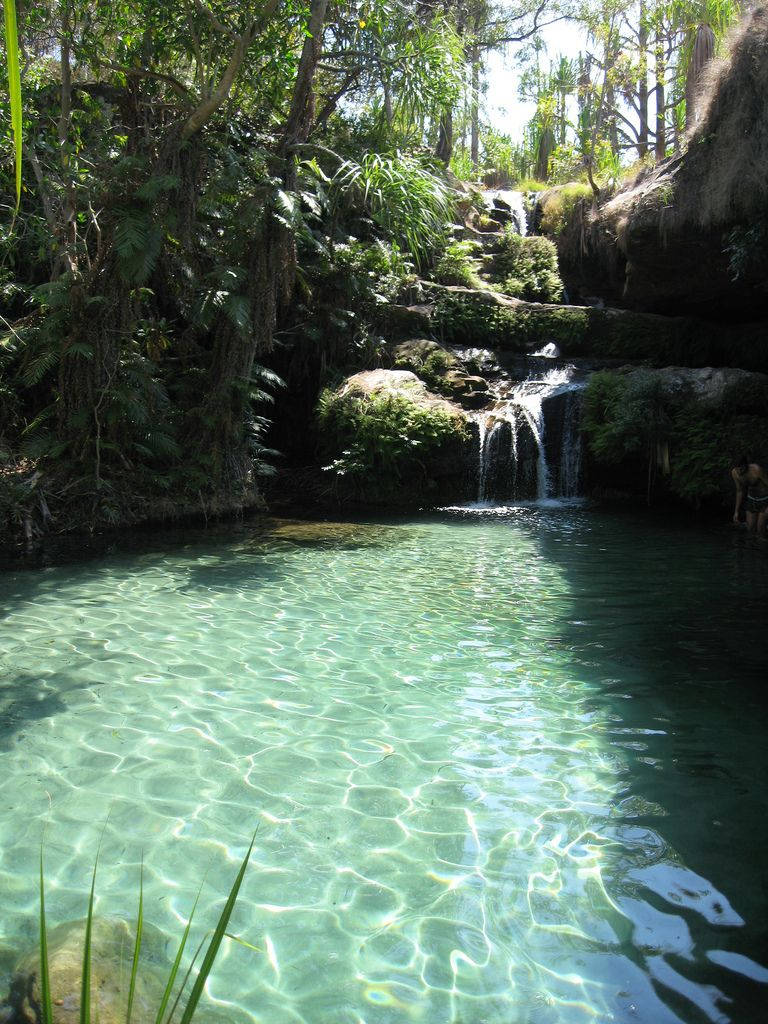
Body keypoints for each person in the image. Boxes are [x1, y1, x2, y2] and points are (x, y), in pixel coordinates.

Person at [731, 456, 768, 535]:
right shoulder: (734, 473)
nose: (739, 471)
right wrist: (736, 512)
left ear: (746, 465)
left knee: (760, 530)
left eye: (741, 469)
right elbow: (739, 491)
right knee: (750, 529)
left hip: (764, 500)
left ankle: (761, 545)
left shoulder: (756, 470)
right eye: (737, 469)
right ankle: (750, 546)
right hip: (751, 500)